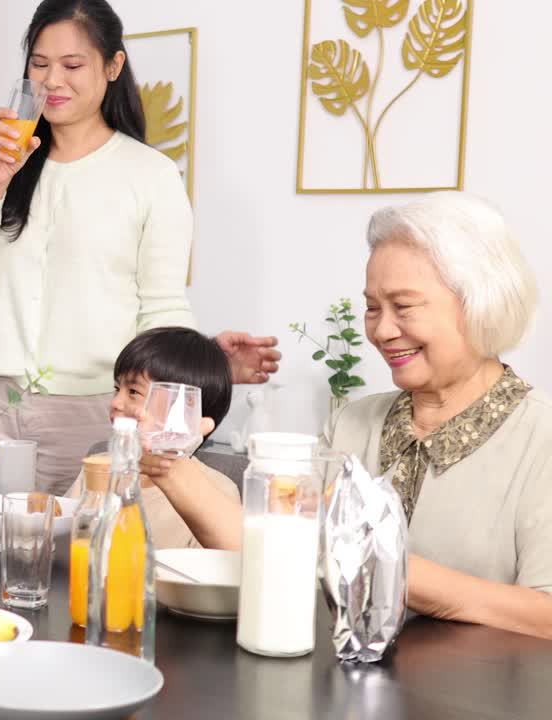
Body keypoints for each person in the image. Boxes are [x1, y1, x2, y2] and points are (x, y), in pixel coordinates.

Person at [147, 192, 552, 639]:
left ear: (481, 302)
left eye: (404, 306)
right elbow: (271, 547)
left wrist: (390, 569)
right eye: (373, 308)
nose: (382, 330)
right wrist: (169, 466)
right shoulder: (351, 424)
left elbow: (545, 614)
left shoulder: (541, 438)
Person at [0, 0, 279, 495]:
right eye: (39, 63)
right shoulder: (4, 163)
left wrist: (200, 365)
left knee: (81, 544)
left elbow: (161, 308)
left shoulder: (151, 177)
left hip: (93, 414)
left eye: (72, 65)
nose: (52, 80)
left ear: (113, 66)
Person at [65, 327, 243, 549]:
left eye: (133, 392)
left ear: (185, 409)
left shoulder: (219, 491)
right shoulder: (98, 466)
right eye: (117, 388)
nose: (116, 402)